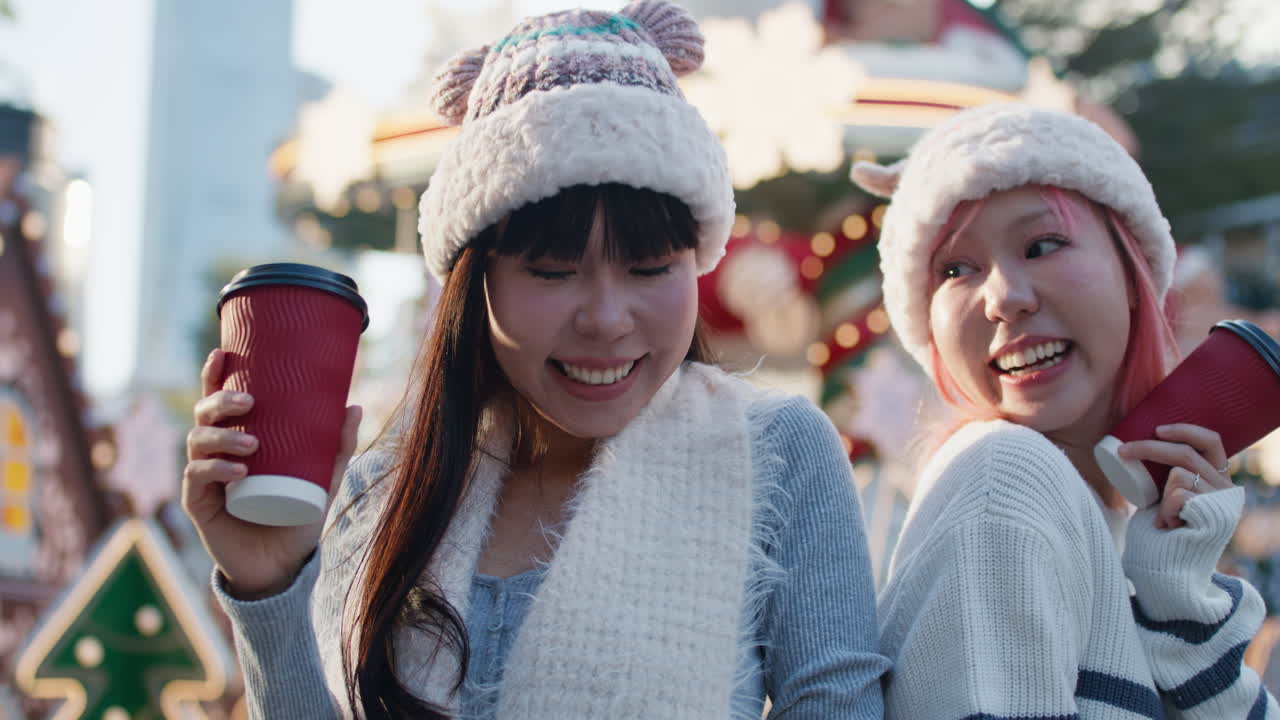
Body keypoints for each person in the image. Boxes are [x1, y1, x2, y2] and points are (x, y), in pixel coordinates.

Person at [183, 2, 889, 718]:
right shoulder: (383, 491)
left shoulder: (778, 454)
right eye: (553, 271)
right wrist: (268, 588)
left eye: (649, 267)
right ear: (475, 281)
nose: (607, 319)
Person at [850, 102, 1279, 718]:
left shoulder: (1099, 516)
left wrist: (1179, 599)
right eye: (954, 268)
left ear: (1134, 275)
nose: (1004, 298)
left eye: (1042, 244)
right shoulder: (1005, 475)